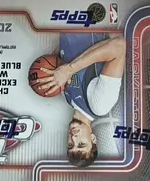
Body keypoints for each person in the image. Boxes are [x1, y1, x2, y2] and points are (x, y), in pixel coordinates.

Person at [34, 31, 126, 167]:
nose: (74, 137)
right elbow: (119, 46)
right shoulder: (100, 105)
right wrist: (69, 69)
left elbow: (67, 53)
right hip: (90, 21)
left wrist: (51, 66)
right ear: (93, 138)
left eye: (70, 145)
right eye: (81, 144)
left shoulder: (67, 98)